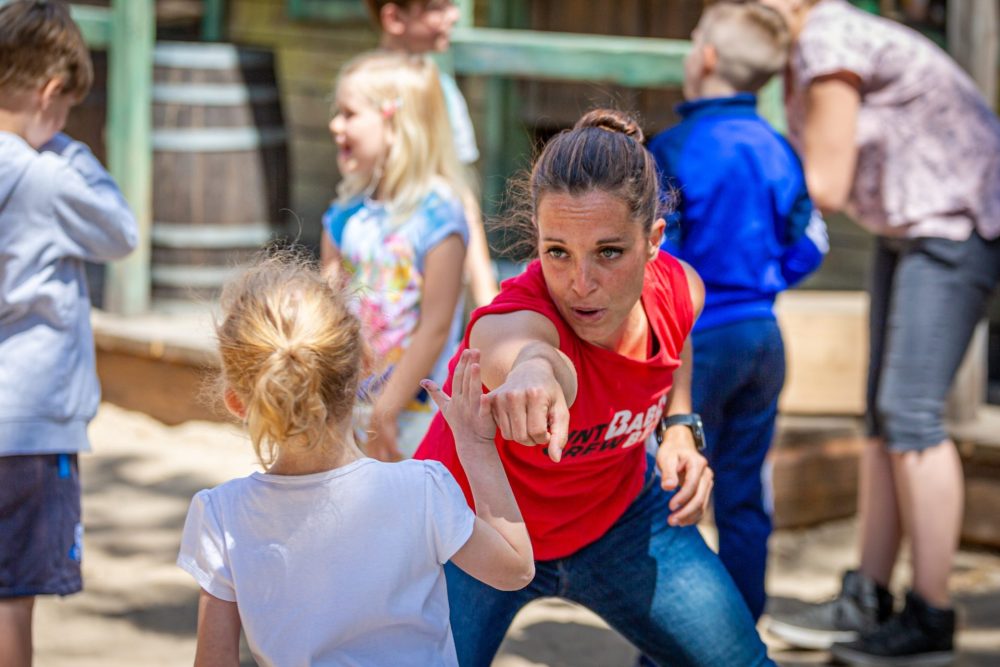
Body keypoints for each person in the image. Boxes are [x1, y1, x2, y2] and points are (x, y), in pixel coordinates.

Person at [415, 108, 776, 667]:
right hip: (472, 536)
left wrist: (679, 427)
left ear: (653, 241)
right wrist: (536, 371)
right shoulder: (513, 319)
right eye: (557, 252)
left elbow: (674, 347)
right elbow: (526, 351)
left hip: (622, 522)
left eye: (609, 252)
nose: (581, 285)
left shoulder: (683, 291)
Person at [757, 1, 1000, 665]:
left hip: (951, 223)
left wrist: (736, 185)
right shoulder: (805, 46)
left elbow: (825, 183)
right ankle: (867, 596)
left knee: (911, 414)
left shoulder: (828, 36)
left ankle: (931, 614)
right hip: (909, 225)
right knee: (880, 418)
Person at [176, 251, 533, 666]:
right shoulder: (422, 491)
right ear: (365, 365)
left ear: (238, 402)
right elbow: (516, 570)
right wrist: (475, 446)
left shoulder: (221, 516)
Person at [647, 0, 828, 622]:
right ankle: (742, 626)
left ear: (707, 57)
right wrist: (771, 279)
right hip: (764, 336)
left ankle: (672, 642)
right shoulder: (779, 148)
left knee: (675, 490)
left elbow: (653, 256)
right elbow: (812, 240)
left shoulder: (673, 148)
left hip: (698, 346)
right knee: (743, 493)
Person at [0, 2, 139, 665]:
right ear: (51, 92)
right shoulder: (47, 173)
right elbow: (121, 232)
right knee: (12, 595)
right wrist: (69, 151)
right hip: (27, 424)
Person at [320, 51, 469, 461]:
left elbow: (436, 325)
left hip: (419, 415)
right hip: (351, 406)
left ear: (393, 121)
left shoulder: (439, 217)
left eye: (349, 114)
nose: (336, 125)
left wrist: (386, 410)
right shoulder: (344, 215)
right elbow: (326, 310)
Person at [363, 0, 499, 308]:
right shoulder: (362, 90)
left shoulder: (443, 91)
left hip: (429, 277)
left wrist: (485, 297)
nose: (455, 15)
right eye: (438, 7)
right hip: (373, 271)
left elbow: (460, 194)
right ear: (394, 18)